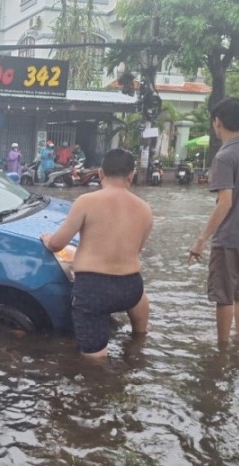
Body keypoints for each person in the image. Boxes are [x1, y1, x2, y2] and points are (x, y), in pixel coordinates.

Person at [41, 149, 153, 360]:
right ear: (131, 175)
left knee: (95, 358)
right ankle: (139, 339)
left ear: (101, 173)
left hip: (94, 289)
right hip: (131, 288)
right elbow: (135, 251)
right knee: (139, 296)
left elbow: (57, 244)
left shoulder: (86, 202)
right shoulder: (145, 209)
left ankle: (97, 380)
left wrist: (48, 240)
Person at [188, 97, 239, 346]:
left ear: (217, 122)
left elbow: (224, 203)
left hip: (230, 240)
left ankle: (221, 350)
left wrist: (201, 240)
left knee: (224, 297)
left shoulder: (224, 157)